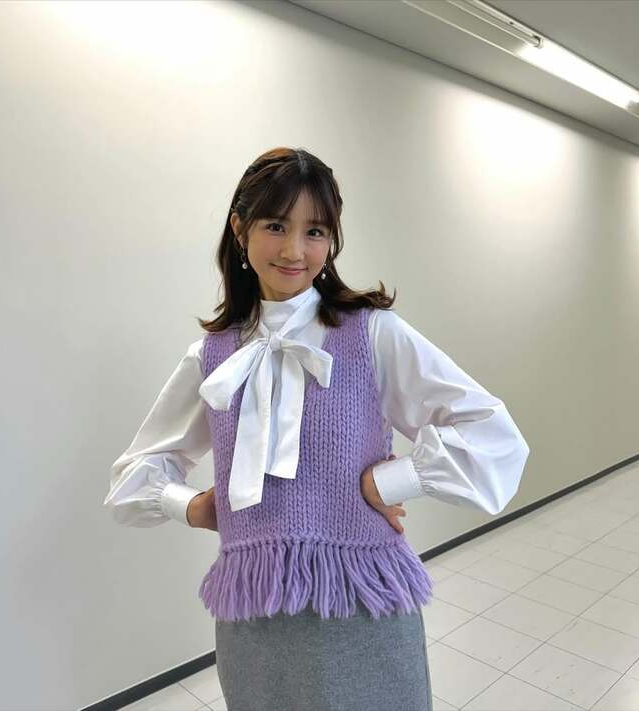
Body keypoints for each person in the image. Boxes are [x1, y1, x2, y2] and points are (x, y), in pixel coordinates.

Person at [103, 147, 530, 711]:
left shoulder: (371, 333)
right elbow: (133, 477)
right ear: (240, 229)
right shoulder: (213, 356)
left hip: (360, 606)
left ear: (331, 241)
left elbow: (492, 433)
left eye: (315, 231)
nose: (294, 250)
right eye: (275, 226)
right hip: (256, 618)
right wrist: (193, 506)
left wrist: (391, 481)